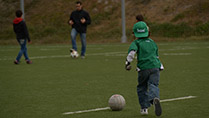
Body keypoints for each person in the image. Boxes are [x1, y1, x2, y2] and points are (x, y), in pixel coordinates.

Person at [125, 15, 164, 116]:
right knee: (153, 85)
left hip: (143, 68)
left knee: (142, 87)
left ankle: (144, 108)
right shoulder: (152, 42)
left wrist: (127, 63)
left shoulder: (136, 42)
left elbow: (132, 53)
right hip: (155, 67)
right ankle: (154, 98)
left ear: (135, 32)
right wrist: (161, 66)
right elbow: (156, 56)